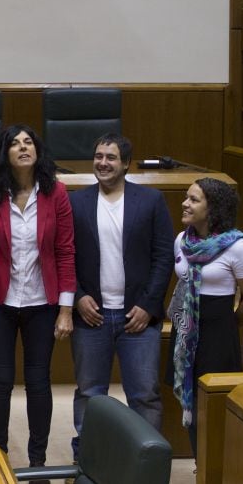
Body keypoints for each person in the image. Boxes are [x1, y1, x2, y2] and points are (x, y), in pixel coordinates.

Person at [0, 124, 75, 469]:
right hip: (0, 302)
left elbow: (65, 252)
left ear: (37, 150)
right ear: (6, 153)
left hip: (42, 303)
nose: (23, 147)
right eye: (15, 144)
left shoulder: (55, 192)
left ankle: (37, 462)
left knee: (38, 381)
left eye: (28, 142)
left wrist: (65, 308)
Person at [69, 133, 173, 461]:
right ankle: (88, 461)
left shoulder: (151, 200)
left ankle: (145, 465)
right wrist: (78, 297)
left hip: (137, 319)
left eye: (110, 157)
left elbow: (163, 258)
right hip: (92, 316)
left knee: (144, 395)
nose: (103, 163)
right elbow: (63, 255)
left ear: (126, 163)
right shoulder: (76, 202)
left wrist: (148, 305)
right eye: (98, 156)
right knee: (89, 394)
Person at [168, 177, 243, 456]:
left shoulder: (238, 247)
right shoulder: (182, 240)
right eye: (186, 197)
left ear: (214, 209)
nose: (185, 203)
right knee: (192, 410)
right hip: (185, 331)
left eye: (194, 199)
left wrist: (228, 324)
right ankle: (200, 465)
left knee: (212, 408)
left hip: (218, 335)